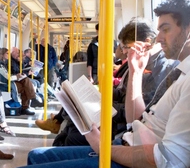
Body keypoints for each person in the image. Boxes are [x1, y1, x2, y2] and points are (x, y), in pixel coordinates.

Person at [2, 0, 190, 168]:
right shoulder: (181, 75)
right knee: (38, 156)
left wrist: (104, 149)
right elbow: (136, 121)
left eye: (166, 29)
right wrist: (135, 71)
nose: (160, 38)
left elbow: (169, 161)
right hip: (135, 155)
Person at [35, 17, 180, 147]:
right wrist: (98, 94)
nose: (123, 52)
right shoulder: (139, 61)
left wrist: (102, 104)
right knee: (70, 129)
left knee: (72, 137)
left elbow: (141, 114)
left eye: (127, 48)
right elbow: (123, 92)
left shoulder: (160, 69)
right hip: (118, 115)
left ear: (146, 43)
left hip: (121, 125)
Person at [8, 47, 37, 115]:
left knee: (26, 86)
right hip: (13, 80)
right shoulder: (10, 61)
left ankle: (25, 107)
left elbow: (22, 70)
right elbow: (15, 71)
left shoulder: (17, 61)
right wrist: (26, 73)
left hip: (19, 79)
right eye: (17, 53)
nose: (18, 55)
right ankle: (32, 99)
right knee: (26, 81)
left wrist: (20, 63)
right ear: (12, 53)